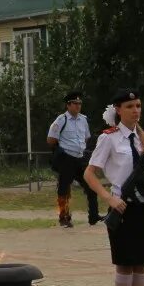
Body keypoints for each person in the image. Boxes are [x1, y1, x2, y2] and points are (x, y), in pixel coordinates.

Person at [84, 88, 144, 286]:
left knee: (142, 263)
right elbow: (89, 174)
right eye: (129, 107)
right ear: (118, 110)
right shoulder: (109, 138)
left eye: (138, 106)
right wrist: (109, 198)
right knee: (125, 263)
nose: (135, 110)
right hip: (122, 206)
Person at [46, 91, 99, 227]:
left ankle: (93, 216)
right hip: (67, 159)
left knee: (91, 186)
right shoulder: (61, 120)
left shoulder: (83, 119)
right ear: (68, 105)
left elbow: (86, 137)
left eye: (80, 103)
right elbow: (51, 139)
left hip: (80, 158)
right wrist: (63, 150)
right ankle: (64, 217)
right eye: (75, 103)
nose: (78, 106)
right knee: (64, 189)